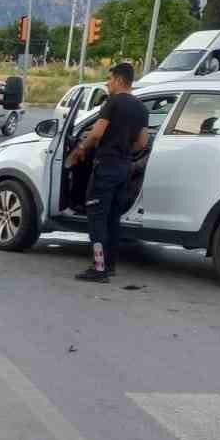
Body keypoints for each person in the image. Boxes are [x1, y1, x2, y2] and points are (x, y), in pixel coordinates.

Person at [68, 62, 149, 282]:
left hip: (105, 168)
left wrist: (81, 148)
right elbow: (142, 142)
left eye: (110, 78)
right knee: (114, 220)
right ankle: (110, 265)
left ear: (121, 80)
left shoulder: (112, 103)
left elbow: (96, 134)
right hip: (124, 168)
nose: (107, 82)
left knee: (96, 219)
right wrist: (123, 150)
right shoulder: (141, 108)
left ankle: (99, 268)